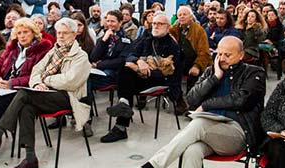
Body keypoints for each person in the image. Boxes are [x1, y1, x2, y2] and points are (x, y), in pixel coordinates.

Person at [118, 36, 266, 168]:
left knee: (199, 123)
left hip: (237, 133)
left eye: (227, 55)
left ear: (241, 55)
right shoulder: (212, 71)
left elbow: (242, 99)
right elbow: (191, 99)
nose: (222, 58)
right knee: (191, 151)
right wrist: (215, 78)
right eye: (219, 53)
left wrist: (208, 104)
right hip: (208, 133)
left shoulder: (254, 72)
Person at [0, 17, 91, 168]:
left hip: (67, 97)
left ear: (74, 34)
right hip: (45, 93)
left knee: (23, 94)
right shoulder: (54, 51)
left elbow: (69, 81)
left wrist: (46, 80)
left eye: (65, 33)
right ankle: (30, 157)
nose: (61, 36)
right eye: (58, 33)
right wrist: (37, 83)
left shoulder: (81, 56)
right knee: (26, 107)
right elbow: (36, 72)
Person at [0, 17, 53, 165]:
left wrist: (12, 82)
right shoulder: (12, 47)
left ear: (34, 33)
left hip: (23, 89)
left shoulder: (43, 49)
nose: (22, 36)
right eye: (19, 33)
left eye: (26, 32)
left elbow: (38, 75)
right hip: (2, 85)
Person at [101, 13, 182, 143]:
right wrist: (138, 61)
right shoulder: (147, 37)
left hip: (160, 79)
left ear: (168, 27)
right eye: (154, 23)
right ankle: (123, 107)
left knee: (126, 78)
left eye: (160, 24)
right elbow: (130, 53)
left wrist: (136, 67)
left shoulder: (172, 45)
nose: (155, 26)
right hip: (141, 75)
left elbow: (168, 72)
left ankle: (121, 125)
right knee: (124, 70)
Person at [171, 6, 212, 113]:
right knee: (171, 75)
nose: (182, 17)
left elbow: (204, 52)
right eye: (179, 15)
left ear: (191, 16)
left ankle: (193, 104)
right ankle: (180, 102)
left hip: (194, 61)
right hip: (178, 61)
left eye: (184, 14)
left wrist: (197, 66)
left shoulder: (199, 30)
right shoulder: (173, 30)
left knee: (194, 76)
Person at [88, 10, 131, 91]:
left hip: (113, 73)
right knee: (83, 77)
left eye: (113, 21)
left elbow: (121, 61)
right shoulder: (104, 37)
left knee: (87, 81)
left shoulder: (125, 39)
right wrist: (103, 40)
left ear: (120, 22)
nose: (109, 24)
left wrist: (99, 65)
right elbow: (93, 57)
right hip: (99, 71)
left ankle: (86, 102)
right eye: (108, 21)